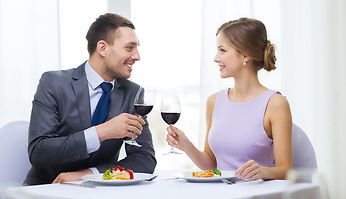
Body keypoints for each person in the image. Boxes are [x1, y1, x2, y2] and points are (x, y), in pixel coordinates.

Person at [24, 13, 156, 185]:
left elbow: (145, 159)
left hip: (101, 192)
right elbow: (39, 152)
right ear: (102, 48)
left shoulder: (133, 93)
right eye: (129, 48)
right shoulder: (54, 83)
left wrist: (91, 174)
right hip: (48, 188)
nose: (137, 56)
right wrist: (103, 132)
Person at [166, 18, 292, 180]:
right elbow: (211, 165)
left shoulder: (275, 103)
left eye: (222, 50)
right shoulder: (214, 101)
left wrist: (262, 171)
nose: (216, 58)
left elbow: (286, 170)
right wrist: (186, 146)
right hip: (220, 193)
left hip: (256, 194)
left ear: (245, 55)